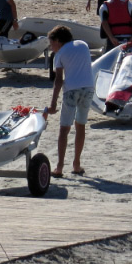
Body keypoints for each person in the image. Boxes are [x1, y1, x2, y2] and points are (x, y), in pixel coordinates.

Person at [45, 25, 94, 177]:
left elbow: (58, 81)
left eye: (52, 43)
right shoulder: (83, 44)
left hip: (72, 90)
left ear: (58, 41)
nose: (51, 47)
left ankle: (59, 167)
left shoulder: (59, 55)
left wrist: (53, 103)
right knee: (80, 125)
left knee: (64, 129)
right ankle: (77, 164)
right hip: (88, 88)